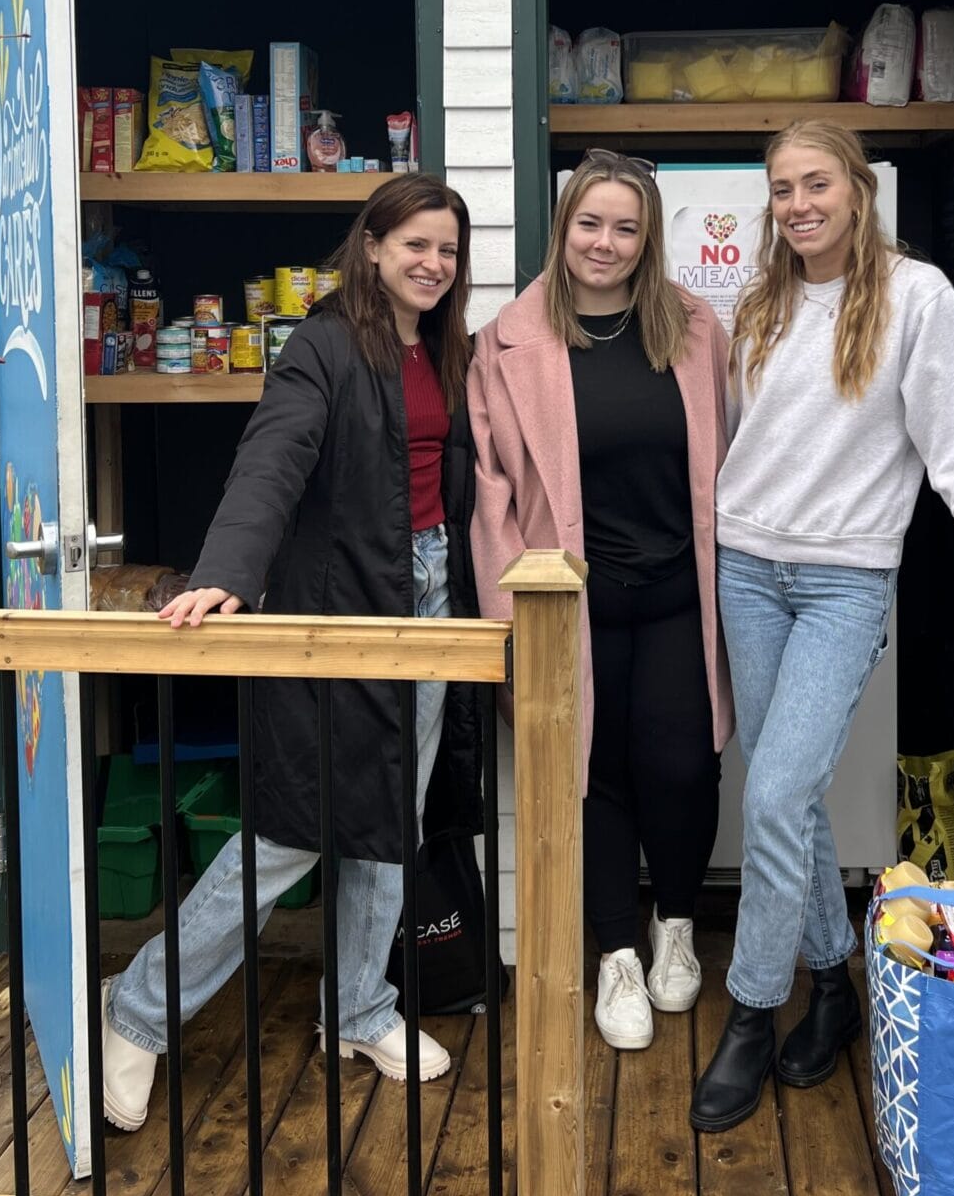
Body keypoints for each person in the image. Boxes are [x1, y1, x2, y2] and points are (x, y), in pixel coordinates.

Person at [689, 120, 954, 1133]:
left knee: (773, 794)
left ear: (856, 188)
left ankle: (755, 1013)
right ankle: (836, 985)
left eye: (816, 184)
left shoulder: (913, 295)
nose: (799, 204)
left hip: (845, 583)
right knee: (780, 796)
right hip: (747, 571)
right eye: (781, 190)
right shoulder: (757, 301)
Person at [101, 174, 481, 1130]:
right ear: (373, 247)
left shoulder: (446, 343)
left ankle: (358, 1007)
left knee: (392, 821)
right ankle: (139, 1010)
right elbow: (273, 455)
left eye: (446, 249)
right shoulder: (322, 344)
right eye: (414, 245)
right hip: (337, 611)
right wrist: (227, 568)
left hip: (430, 602)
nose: (431, 263)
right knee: (290, 836)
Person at [469, 150, 733, 1051]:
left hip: (676, 597)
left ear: (649, 236)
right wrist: (513, 631)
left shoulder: (695, 330)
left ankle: (679, 924)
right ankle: (615, 950)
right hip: (569, 606)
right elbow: (492, 494)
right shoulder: (506, 344)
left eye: (626, 227)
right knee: (592, 774)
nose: (606, 243)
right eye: (591, 223)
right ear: (564, 228)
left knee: (684, 765)